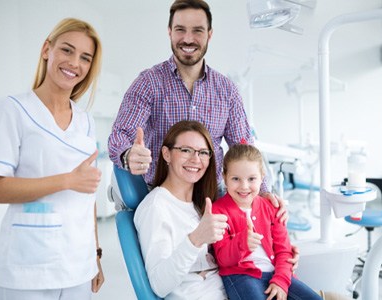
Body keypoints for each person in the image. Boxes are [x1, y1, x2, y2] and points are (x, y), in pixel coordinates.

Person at [107, 0, 286, 221]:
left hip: (211, 194)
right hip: (163, 195)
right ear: (169, 32)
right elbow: (119, 136)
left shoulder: (227, 90)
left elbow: (244, 148)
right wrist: (128, 155)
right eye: (180, 30)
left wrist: (265, 191)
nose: (188, 39)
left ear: (209, 34)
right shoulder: (149, 82)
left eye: (197, 31)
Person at [0, 18, 104, 300]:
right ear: (47, 49)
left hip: (79, 266)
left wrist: (95, 255)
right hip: (27, 268)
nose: (74, 63)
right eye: (67, 50)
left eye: (85, 58)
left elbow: (88, 196)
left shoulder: (85, 121)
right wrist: (67, 180)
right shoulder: (12, 110)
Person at [212, 143, 322, 300]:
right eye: (236, 179)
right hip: (240, 276)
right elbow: (223, 259)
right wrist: (242, 242)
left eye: (251, 179)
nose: (244, 186)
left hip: (275, 272)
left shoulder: (271, 207)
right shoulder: (218, 210)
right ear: (224, 177)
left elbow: (284, 251)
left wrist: (281, 281)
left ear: (262, 177)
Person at [134, 120, 229, 299]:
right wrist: (195, 239)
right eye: (185, 150)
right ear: (167, 154)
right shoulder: (156, 207)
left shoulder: (199, 205)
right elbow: (159, 284)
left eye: (203, 152)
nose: (195, 159)